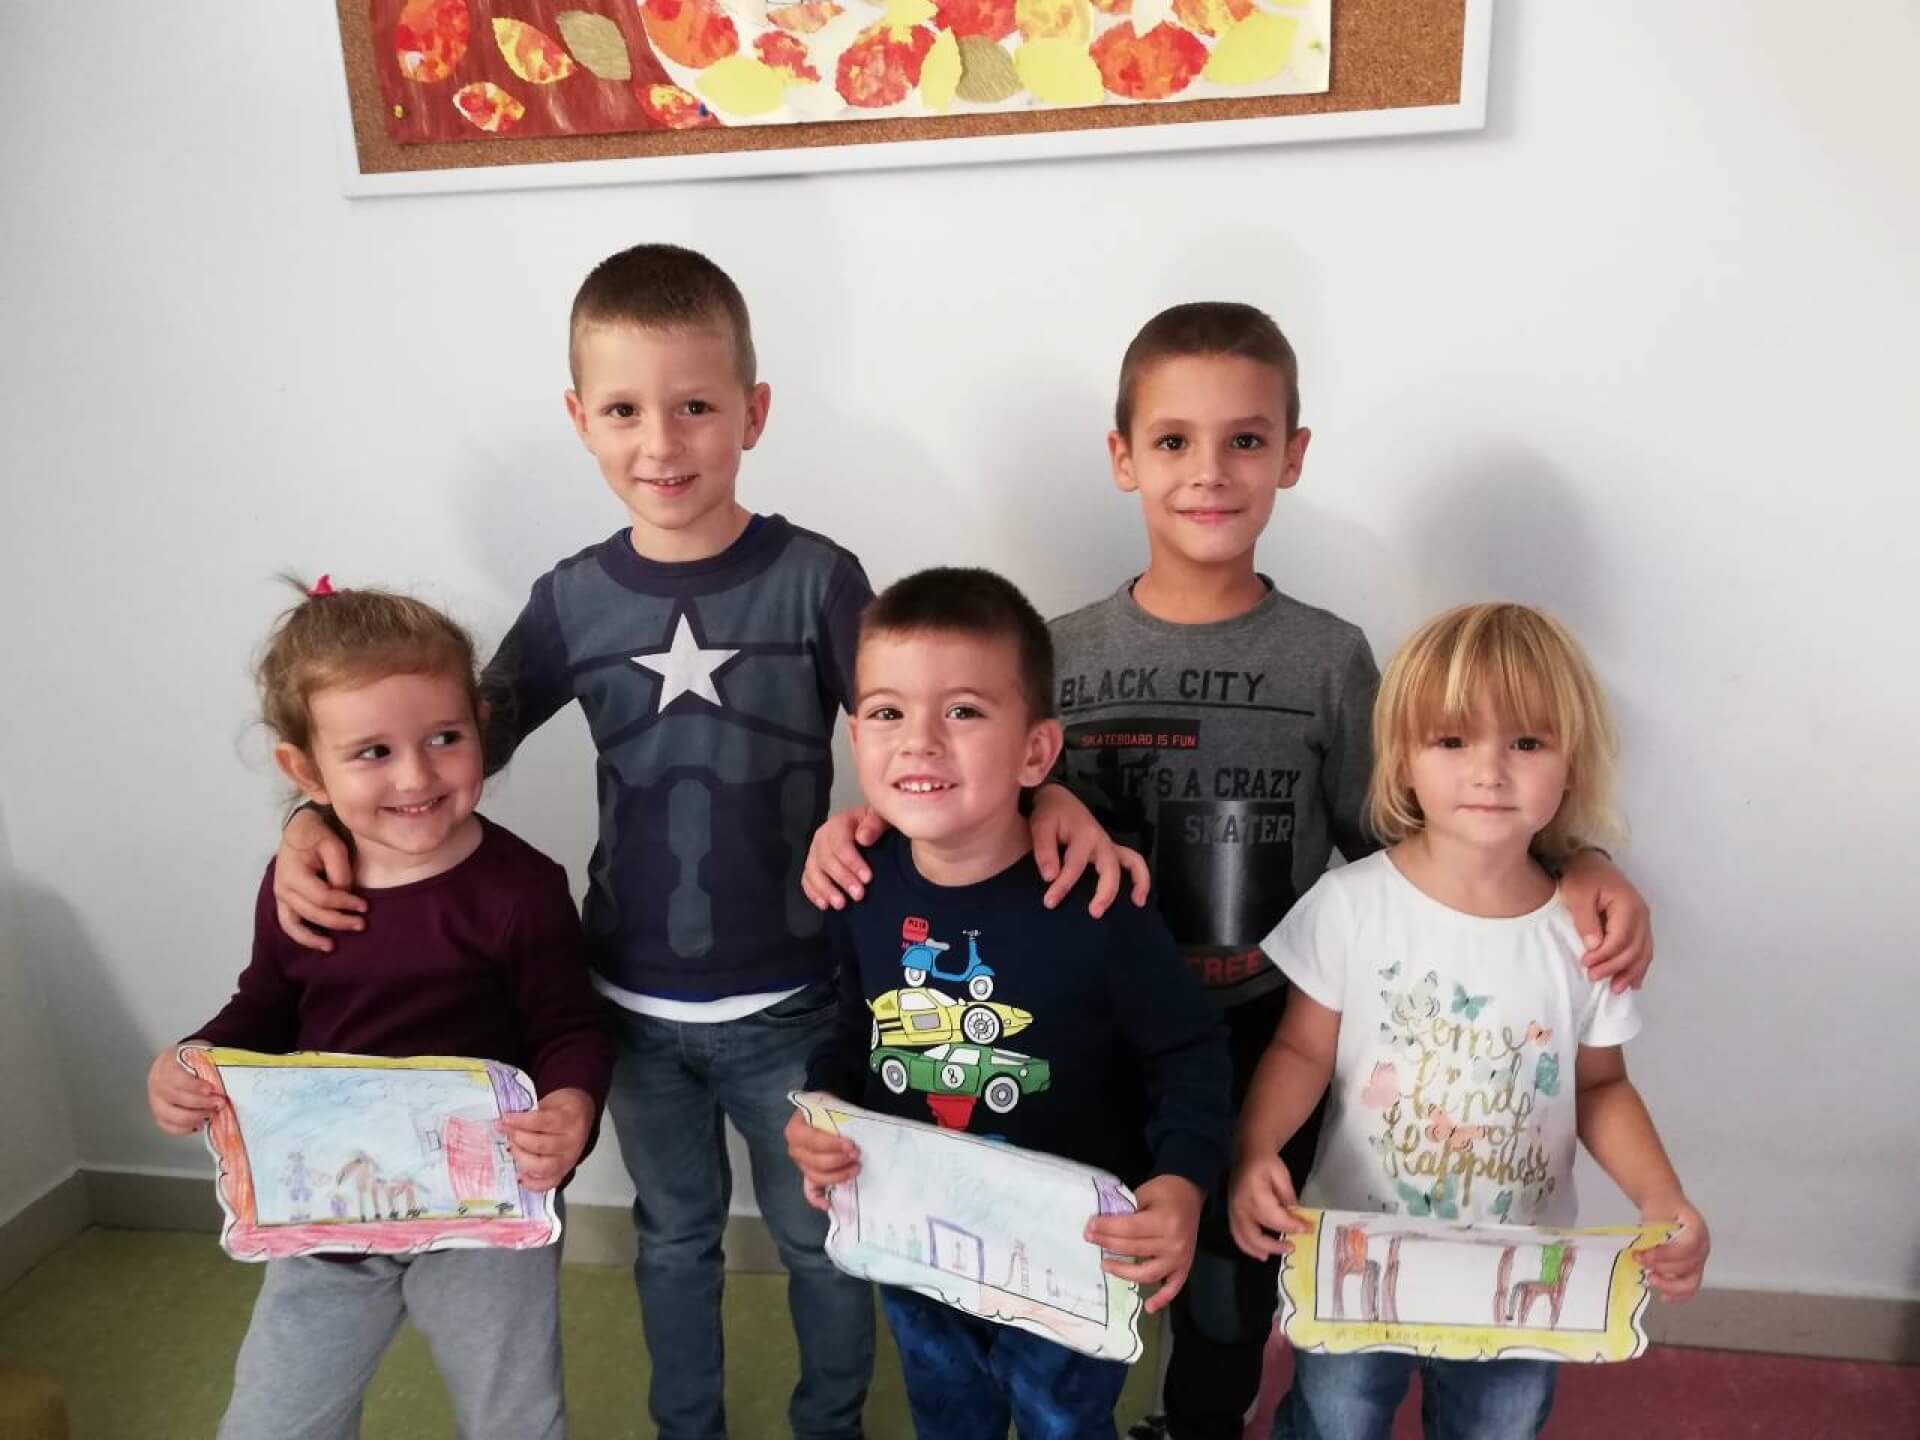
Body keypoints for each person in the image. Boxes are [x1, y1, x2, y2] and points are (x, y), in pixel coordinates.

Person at [267, 245, 1140, 1440]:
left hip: (796, 998)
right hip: (629, 1009)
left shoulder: (817, 579)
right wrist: (312, 817)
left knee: (823, 1241)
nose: (662, 442)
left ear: (752, 413)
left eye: (694, 407)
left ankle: (829, 1424)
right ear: (581, 419)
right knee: (673, 1240)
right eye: (625, 410)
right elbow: (446, 748)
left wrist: (1053, 798)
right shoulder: (573, 597)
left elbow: (929, 726)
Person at [803, 302, 1656, 1440]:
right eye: (1173, 440)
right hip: (1084, 1038)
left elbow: (1417, 826)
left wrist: (1577, 859)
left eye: (1245, 440)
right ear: (1124, 458)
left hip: (1267, 1028)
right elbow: (985, 783)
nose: (1208, 471)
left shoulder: (1328, 658)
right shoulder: (1063, 648)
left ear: (1290, 456)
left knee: (1224, 1289)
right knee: (1085, 1264)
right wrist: (899, 817)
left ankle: (1197, 1425)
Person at [145, 579, 613, 1440]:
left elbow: (569, 1026)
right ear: (305, 772)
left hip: (484, 1213)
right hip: (326, 1213)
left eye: (445, 738)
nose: (416, 775)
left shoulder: (521, 889)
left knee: (515, 1417)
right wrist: (193, 1059)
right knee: (272, 1421)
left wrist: (572, 1105)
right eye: (372, 752)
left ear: (480, 728)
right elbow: (264, 1007)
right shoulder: (303, 884)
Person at [1229, 602, 1709, 1440]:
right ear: (1403, 758)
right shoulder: (1351, 905)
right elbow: (1301, 1049)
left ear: (1571, 763)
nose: (1489, 771)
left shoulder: (1583, 936)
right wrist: (1255, 1149)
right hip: (1357, 1255)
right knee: (1336, 1420)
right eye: (1452, 740)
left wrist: (1661, 1196)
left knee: (1500, 1424)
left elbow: (1601, 1088)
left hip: (1518, 1270)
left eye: (1525, 742)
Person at [786, 567, 1232, 1440]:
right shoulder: (858, 885)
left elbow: (1189, 1053)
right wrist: (825, 1109)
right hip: (916, 1238)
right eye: (887, 713)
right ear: (856, 736)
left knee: (1062, 1423)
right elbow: (854, 1024)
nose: (918, 742)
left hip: (1067, 1252)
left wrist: (1182, 1181)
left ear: (1035, 752)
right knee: (947, 1413)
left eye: (962, 711)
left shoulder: (1096, 901)